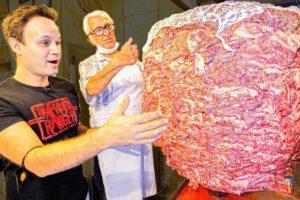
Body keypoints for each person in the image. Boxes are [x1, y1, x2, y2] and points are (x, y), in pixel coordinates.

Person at [0, 5, 168, 200]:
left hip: (80, 193)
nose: (56, 50)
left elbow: (73, 129)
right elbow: (37, 162)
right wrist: (106, 137)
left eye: (58, 42)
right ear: (16, 45)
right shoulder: (5, 99)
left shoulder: (64, 88)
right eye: (45, 43)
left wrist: (124, 131)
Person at [78, 10, 157, 200]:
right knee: (118, 192)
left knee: (143, 192)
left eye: (107, 26)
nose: (105, 32)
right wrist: (117, 61)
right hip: (113, 144)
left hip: (139, 137)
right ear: (90, 39)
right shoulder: (88, 64)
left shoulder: (136, 63)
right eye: (98, 30)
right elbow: (91, 89)